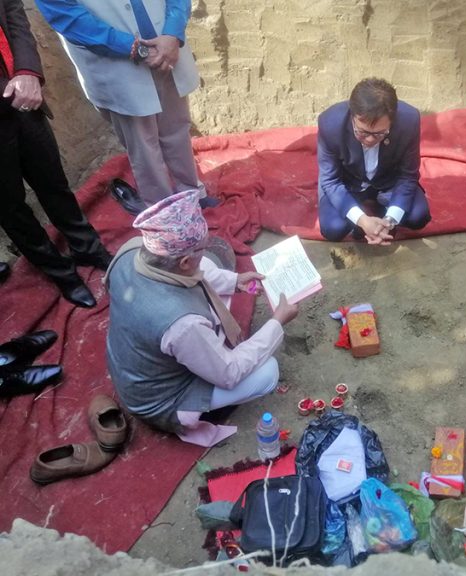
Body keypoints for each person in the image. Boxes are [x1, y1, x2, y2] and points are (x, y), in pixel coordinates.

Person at [105, 190, 298, 446]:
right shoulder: (183, 324)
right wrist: (277, 321)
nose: (204, 251)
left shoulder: (129, 251)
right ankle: (201, 409)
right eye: (201, 248)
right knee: (268, 372)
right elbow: (229, 372)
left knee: (207, 264)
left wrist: (235, 281)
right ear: (185, 262)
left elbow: (196, 273)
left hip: (137, 368)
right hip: (164, 399)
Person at [35, 0, 217, 210]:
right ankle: (164, 212)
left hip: (169, 50)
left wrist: (173, 33)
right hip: (117, 63)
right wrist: (137, 49)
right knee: (143, 146)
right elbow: (69, 18)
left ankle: (192, 193)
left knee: (177, 129)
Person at [1, 0, 112, 308]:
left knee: (53, 181)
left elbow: (13, 12)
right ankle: (61, 272)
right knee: (10, 206)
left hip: (23, 98)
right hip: (11, 95)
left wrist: (27, 71)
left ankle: (87, 247)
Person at [317, 77, 431, 245]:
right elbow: (330, 181)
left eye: (379, 133)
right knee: (333, 228)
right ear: (352, 116)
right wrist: (362, 220)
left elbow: (408, 176)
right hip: (349, 182)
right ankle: (361, 217)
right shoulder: (330, 123)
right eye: (362, 132)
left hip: (388, 180)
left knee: (418, 216)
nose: (370, 140)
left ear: (392, 121)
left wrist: (389, 220)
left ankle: (382, 211)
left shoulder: (409, 120)